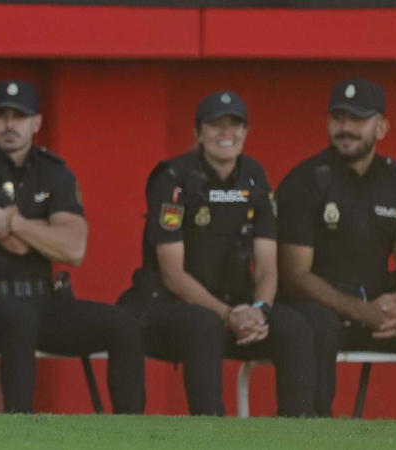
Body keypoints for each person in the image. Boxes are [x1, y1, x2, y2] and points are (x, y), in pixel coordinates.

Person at [0, 80, 145, 414]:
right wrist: (46, 234)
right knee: (19, 318)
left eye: (19, 116)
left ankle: (131, 433)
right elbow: (17, 247)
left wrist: (14, 221)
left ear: (36, 123)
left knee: (122, 323)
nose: (10, 124)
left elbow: (73, 249)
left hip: (44, 302)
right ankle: (20, 430)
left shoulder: (54, 171)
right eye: (2, 115)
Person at [116, 91, 314, 416]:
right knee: (205, 325)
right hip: (168, 306)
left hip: (236, 308)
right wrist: (227, 315)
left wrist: (260, 311)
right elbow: (172, 274)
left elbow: (267, 265)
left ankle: (299, 432)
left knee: (295, 326)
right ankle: (210, 432)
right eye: (215, 125)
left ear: (246, 132)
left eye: (234, 125)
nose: (226, 134)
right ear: (198, 133)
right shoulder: (173, 179)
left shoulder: (255, 177)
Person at [276, 78, 396, 419]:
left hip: (381, 314)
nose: (345, 128)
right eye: (338, 118)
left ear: (382, 127)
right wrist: (362, 312)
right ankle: (312, 435)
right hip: (322, 310)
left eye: (357, 119)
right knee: (315, 324)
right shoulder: (303, 181)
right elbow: (294, 276)